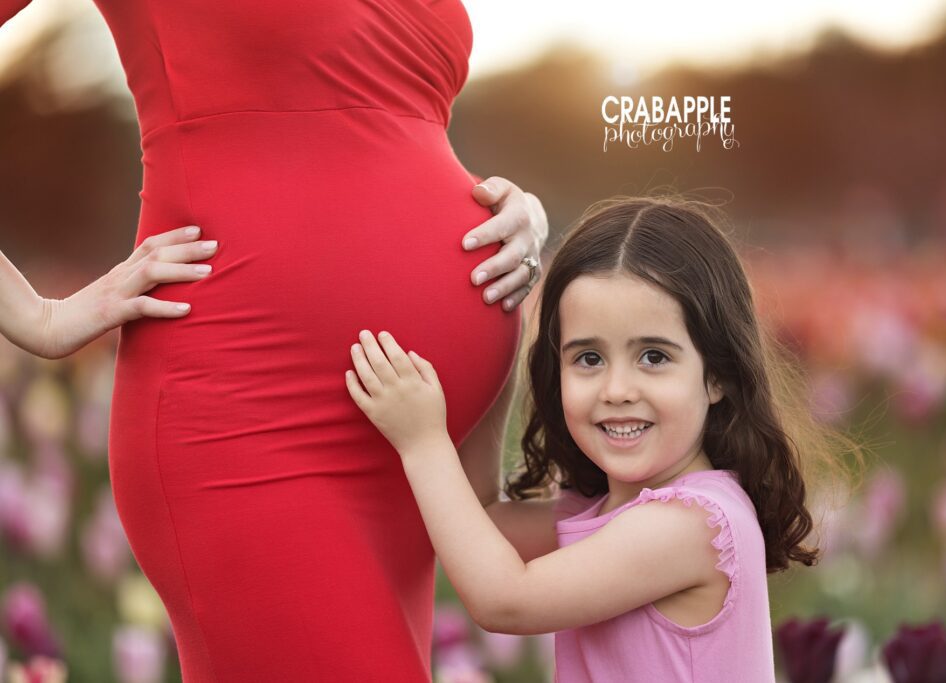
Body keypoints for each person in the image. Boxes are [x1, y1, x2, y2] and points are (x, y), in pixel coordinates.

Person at [1, 0, 550, 679]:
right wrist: (38, 317)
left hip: (419, 451)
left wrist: (515, 216)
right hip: (254, 422)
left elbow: (380, 123)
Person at [347, 195, 846, 682]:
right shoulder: (613, 511)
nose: (617, 390)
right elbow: (485, 518)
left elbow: (504, 601)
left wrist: (422, 442)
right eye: (589, 358)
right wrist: (499, 337)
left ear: (717, 375)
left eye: (653, 356)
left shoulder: (691, 525)